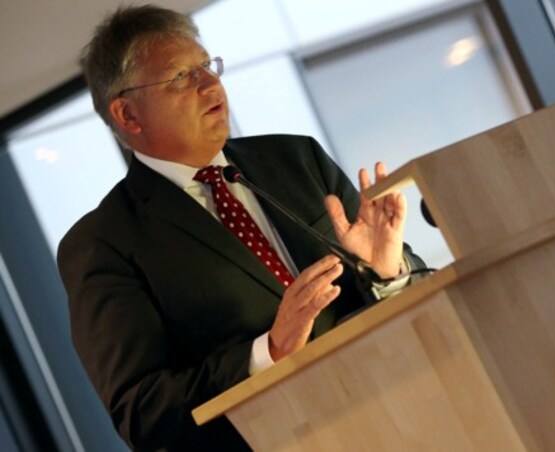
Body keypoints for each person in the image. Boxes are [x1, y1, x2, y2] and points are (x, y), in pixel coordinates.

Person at [57, 5, 424, 451]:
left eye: (206, 67)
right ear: (128, 115)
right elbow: (143, 411)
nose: (210, 84)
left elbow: (406, 289)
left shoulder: (298, 160)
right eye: (179, 77)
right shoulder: (105, 242)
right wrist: (268, 352)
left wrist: (388, 273)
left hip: (409, 408)